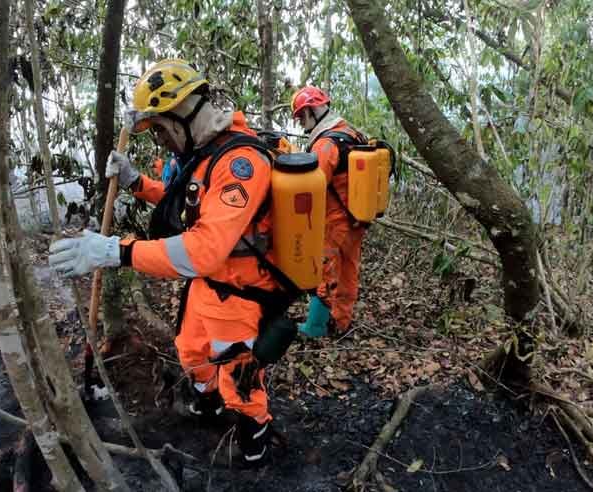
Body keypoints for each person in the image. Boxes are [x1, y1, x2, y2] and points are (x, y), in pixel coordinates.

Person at [49, 59, 276, 465]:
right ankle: (208, 406)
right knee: (191, 352)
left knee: (238, 376)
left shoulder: (242, 164)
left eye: (158, 129)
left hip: (239, 294)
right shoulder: (205, 155)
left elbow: (204, 248)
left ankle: (253, 439)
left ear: (180, 115)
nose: (159, 140)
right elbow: (182, 204)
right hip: (207, 286)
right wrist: (137, 181)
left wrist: (117, 251)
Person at [291, 86, 367, 337]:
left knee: (325, 270)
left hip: (335, 220)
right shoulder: (351, 133)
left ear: (312, 111)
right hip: (357, 216)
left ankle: (314, 328)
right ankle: (341, 321)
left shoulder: (325, 144)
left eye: (302, 116)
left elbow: (312, 186)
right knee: (348, 270)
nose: (302, 123)